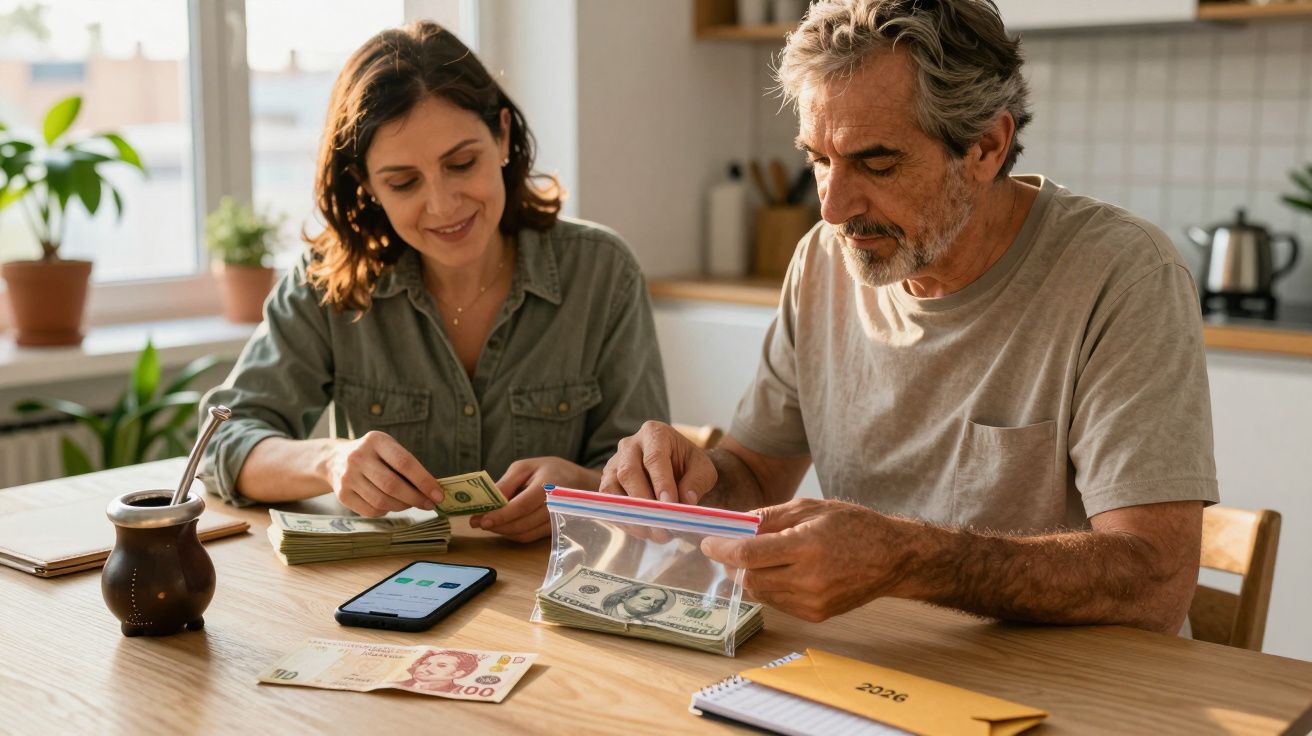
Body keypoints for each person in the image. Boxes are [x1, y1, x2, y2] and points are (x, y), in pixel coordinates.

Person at [601, 0, 1217, 635]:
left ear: (985, 146)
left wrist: (905, 560)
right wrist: (694, 482)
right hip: (883, 668)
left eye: (876, 162)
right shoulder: (821, 260)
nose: (834, 209)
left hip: (1076, 687)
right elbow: (756, 475)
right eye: (818, 159)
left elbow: (1154, 582)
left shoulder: (1122, 274)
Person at [198, 22, 668, 543]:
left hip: (553, 598)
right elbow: (222, 442)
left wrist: (583, 486)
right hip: (379, 600)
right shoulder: (326, 283)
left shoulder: (602, 273)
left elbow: (651, 476)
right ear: (367, 186)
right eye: (403, 182)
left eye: (462, 163)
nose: (443, 205)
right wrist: (329, 460)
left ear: (503, 136)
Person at [395, 649, 479, 693]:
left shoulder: (461, 692)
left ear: (459, 673)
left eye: (442, 666)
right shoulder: (396, 685)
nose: (427, 668)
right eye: (425, 663)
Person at [602, 585, 673, 621]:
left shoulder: (643, 621)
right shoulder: (608, 610)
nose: (651, 604)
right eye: (645, 598)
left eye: (656, 602)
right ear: (626, 596)